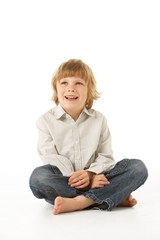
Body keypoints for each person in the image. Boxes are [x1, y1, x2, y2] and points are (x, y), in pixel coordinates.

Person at [29, 59, 148, 215]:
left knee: (138, 168)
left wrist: (91, 175)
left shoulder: (99, 119)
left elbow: (105, 156)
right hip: (65, 180)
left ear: (89, 90)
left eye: (78, 83)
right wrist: (86, 182)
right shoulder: (45, 120)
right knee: (38, 178)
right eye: (64, 83)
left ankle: (80, 202)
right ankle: (111, 196)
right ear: (56, 89)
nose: (71, 88)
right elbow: (50, 156)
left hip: (97, 177)